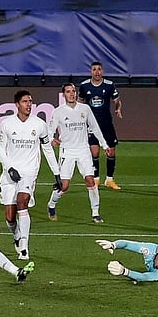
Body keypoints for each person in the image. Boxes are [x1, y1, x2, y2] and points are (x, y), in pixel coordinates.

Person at [0, 89, 61, 260]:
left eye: (30, 101)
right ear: (17, 105)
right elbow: (0, 148)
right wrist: (9, 167)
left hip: (29, 172)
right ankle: (16, 236)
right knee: (10, 217)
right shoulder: (7, 124)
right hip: (10, 172)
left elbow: (47, 149)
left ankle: (24, 247)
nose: (29, 104)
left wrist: (57, 173)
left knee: (22, 202)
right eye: (25, 101)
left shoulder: (39, 124)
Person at [46, 83, 110, 223]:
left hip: (83, 150)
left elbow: (95, 127)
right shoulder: (58, 111)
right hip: (67, 151)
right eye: (68, 92)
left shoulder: (85, 109)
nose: (71, 94)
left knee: (90, 180)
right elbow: (50, 130)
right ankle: (51, 205)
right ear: (64, 95)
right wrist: (52, 140)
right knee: (64, 185)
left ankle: (95, 213)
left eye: (73, 91)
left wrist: (104, 144)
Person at [79, 61, 121, 190]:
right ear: (91, 71)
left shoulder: (109, 85)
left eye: (99, 69)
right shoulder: (84, 86)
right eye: (94, 69)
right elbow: (80, 102)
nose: (97, 72)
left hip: (106, 124)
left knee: (111, 152)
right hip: (92, 125)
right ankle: (96, 179)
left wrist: (118, 108)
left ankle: (109, 179)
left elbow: (117, 100)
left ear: (102, 71)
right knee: (95, 152)